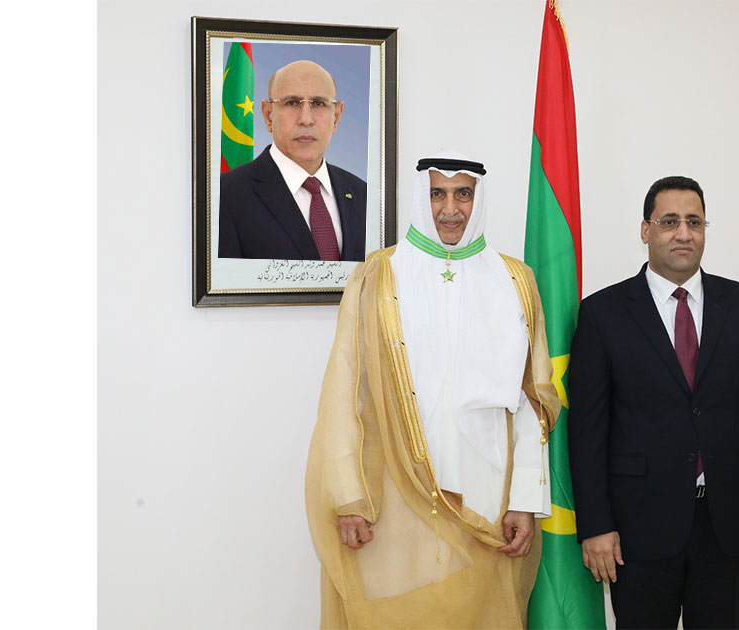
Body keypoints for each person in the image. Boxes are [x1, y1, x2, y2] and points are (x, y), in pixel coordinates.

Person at [304, 153, 560, 628]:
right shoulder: (379, 275)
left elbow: (533, 401)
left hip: (487, 498)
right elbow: (346, 390)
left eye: (463, 193)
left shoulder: (514, 280)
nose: (451, 209)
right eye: (437, 193)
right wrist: (349, 497)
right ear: (422, 198)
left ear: (478, 198)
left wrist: (525, 499)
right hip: (395, 498)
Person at [567, 176, 739, 629]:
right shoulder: (602, 313)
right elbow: (587, 432)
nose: (683, 233)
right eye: (669, 222)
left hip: (729, 525)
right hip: (637, 530)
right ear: (645, 230)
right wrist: (595, 525)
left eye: (694, 222)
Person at [219, 60, 367, 260]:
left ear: (337, 116)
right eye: (292, 103)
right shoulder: (225, 196)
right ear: (268, 115)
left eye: (318, 103)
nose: (306, 119)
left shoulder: (363, 195)